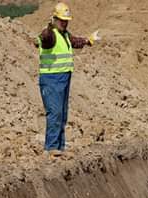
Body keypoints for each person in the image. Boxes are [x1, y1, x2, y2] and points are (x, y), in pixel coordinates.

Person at [35, 2, 100, 156]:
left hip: (64, 77)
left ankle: (59, 147)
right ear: (55, 19)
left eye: (66, 21)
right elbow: (44, 38)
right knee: (55, 112)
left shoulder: (64, 34)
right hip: (51, 79)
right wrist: (48, 27)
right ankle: (51, 148)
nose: (64, 23)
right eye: (62, 20)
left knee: (62, 114)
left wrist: (89, 40)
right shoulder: (50, 34)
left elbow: (75, 41)